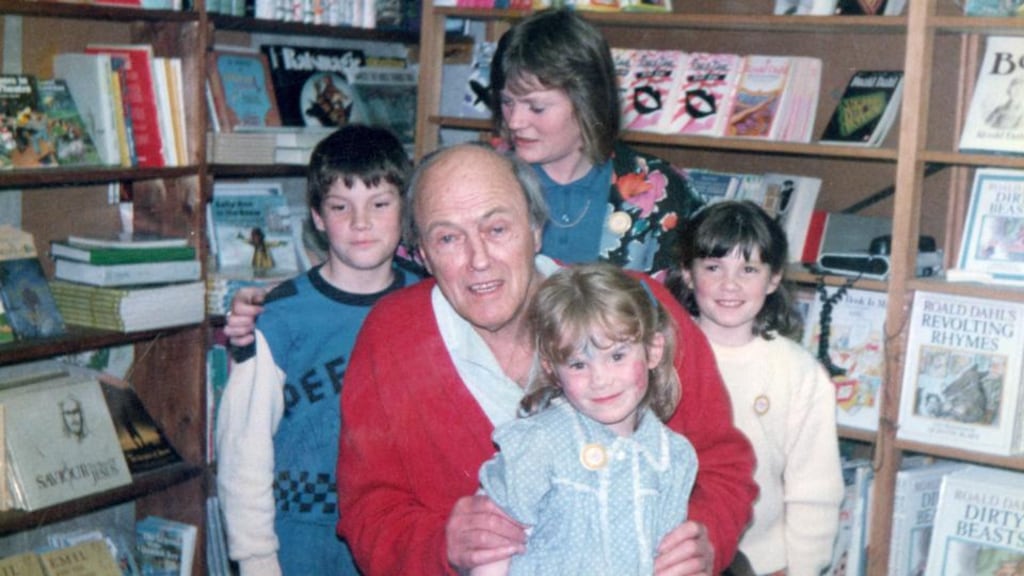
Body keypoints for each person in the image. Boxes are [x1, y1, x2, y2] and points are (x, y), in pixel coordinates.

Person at [335, 143, 756, 575]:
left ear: (536, 229)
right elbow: (369, 507)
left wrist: (704, 541)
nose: (478, 259)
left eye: (497, 229)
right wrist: (439, 544)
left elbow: (723, 466)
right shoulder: (392, 335)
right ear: (422, 255)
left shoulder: (636, 310)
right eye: (447, 238)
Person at [215, 124, 421, 576]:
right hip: (303, 542)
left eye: (380, 204)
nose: (361, 223)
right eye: (340, 207)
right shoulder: (278, 318)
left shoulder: (429, 302)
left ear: (404, 211)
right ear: (318, 217)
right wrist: (257, 561)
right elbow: (242, 449)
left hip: (403, 534)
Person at [472, 263, 699, 575]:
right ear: (552, 368)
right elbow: (491, 550)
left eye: (617, 356)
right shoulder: (539, 444)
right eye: (579, 365)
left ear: (652, 350)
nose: (600, 379)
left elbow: (670, 563)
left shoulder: (672, 457)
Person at [667, 200, 844, 576]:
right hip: (676, 557)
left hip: (764, 564)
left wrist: (802, 569)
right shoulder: (659, 355)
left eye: (748, 269)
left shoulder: (799, 373)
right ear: (686, 273)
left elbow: (815, 491)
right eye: (713, 268)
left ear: (774, 278)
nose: (729, 285)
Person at [490, 8, 704, 278]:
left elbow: (682, 303)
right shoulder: (480, 180)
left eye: (536, 107)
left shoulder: (662, 188)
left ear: (587, 102)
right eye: (507, 103)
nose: (515, 121)